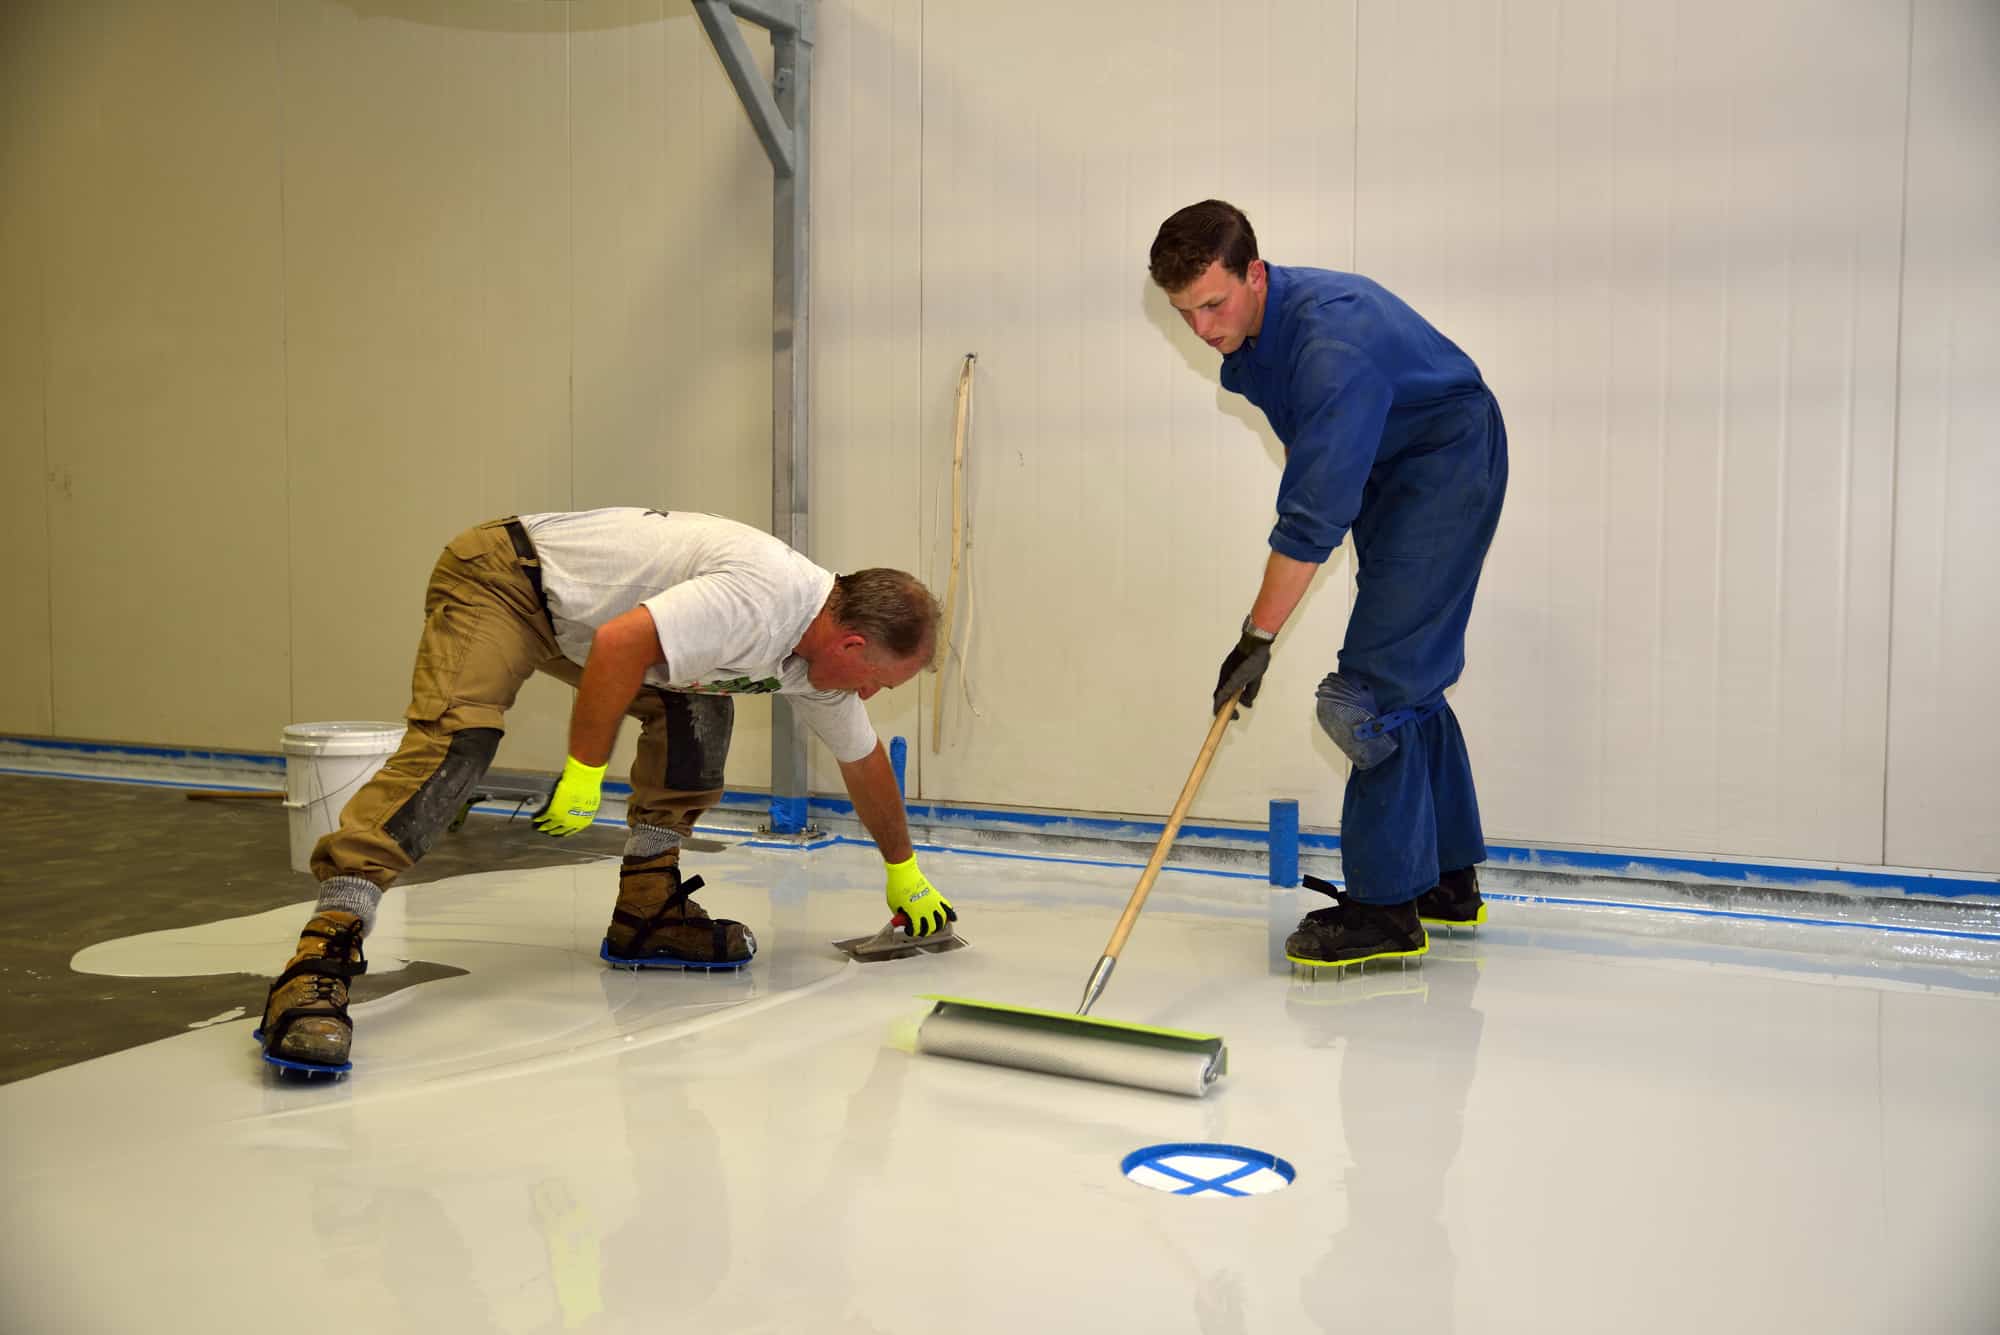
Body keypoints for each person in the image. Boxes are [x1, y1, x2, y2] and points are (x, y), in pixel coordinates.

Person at [258, 507, 953, 1073]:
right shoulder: (764, 597)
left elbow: (864, 764)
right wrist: (584, 770)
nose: (868, 695)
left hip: (579, 617)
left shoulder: (815, 661)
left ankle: (647, 907)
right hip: (506, 578)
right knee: (459, 739)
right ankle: (322, 950)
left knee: (698, 706)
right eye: (876, 683)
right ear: (854, 645)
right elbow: (622, 645)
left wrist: (905, 872)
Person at [1148, 200, 1508, 968]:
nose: (1204, 329)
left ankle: (1384, 909)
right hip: (1396, 473)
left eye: (1213, 303)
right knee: (1406, 677)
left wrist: (1256, 639)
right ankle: (1446, 882)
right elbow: (1324, 482)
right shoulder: (1262, 337)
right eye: (1184, 312)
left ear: (1256, 273)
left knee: (1364, 695)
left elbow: (1311, 519)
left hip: (1442, 466)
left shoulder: (1330, 344)